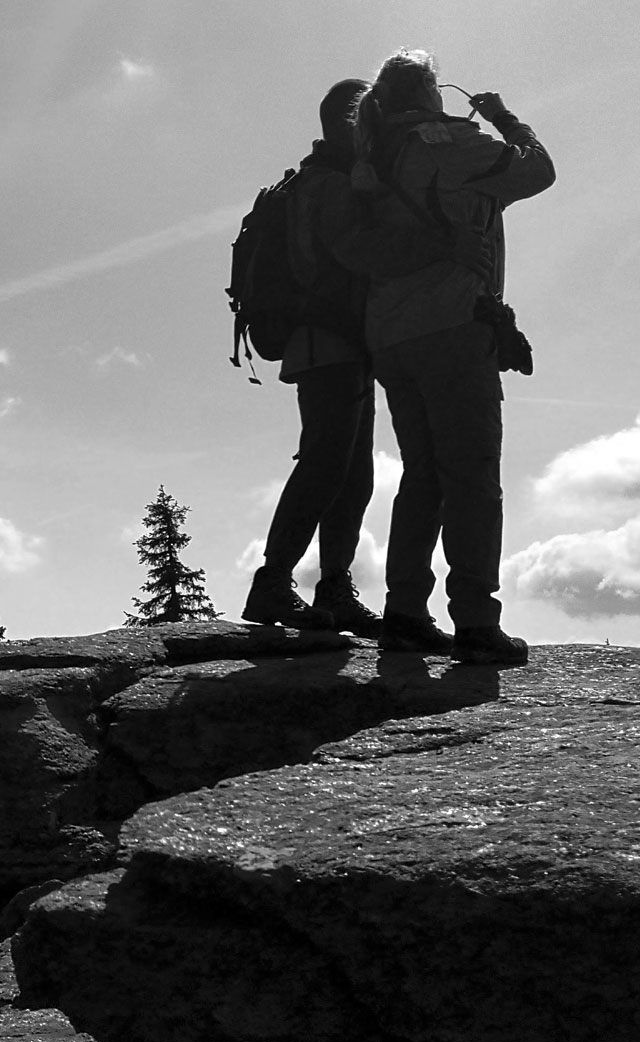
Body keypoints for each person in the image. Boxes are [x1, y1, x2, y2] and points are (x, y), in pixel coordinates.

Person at [242, 78, 481, 635]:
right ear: (352, 123)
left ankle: (332, 588)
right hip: (329, 336)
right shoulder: (332, 187)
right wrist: (444, 246)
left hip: (333, 339)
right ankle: (274, 582)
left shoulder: (313, 181)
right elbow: (360, 251)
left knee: (352, 469)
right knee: (330, 459)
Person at [351, 49, 554, 664]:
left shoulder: (373, 153)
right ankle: (474, 620)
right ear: (429, 92)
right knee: (470, 476)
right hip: (450, 324)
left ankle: (406, 612)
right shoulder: (448, 140)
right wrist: (506, 118)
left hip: (389, 333)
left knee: (424, 475)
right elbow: (536, 173)